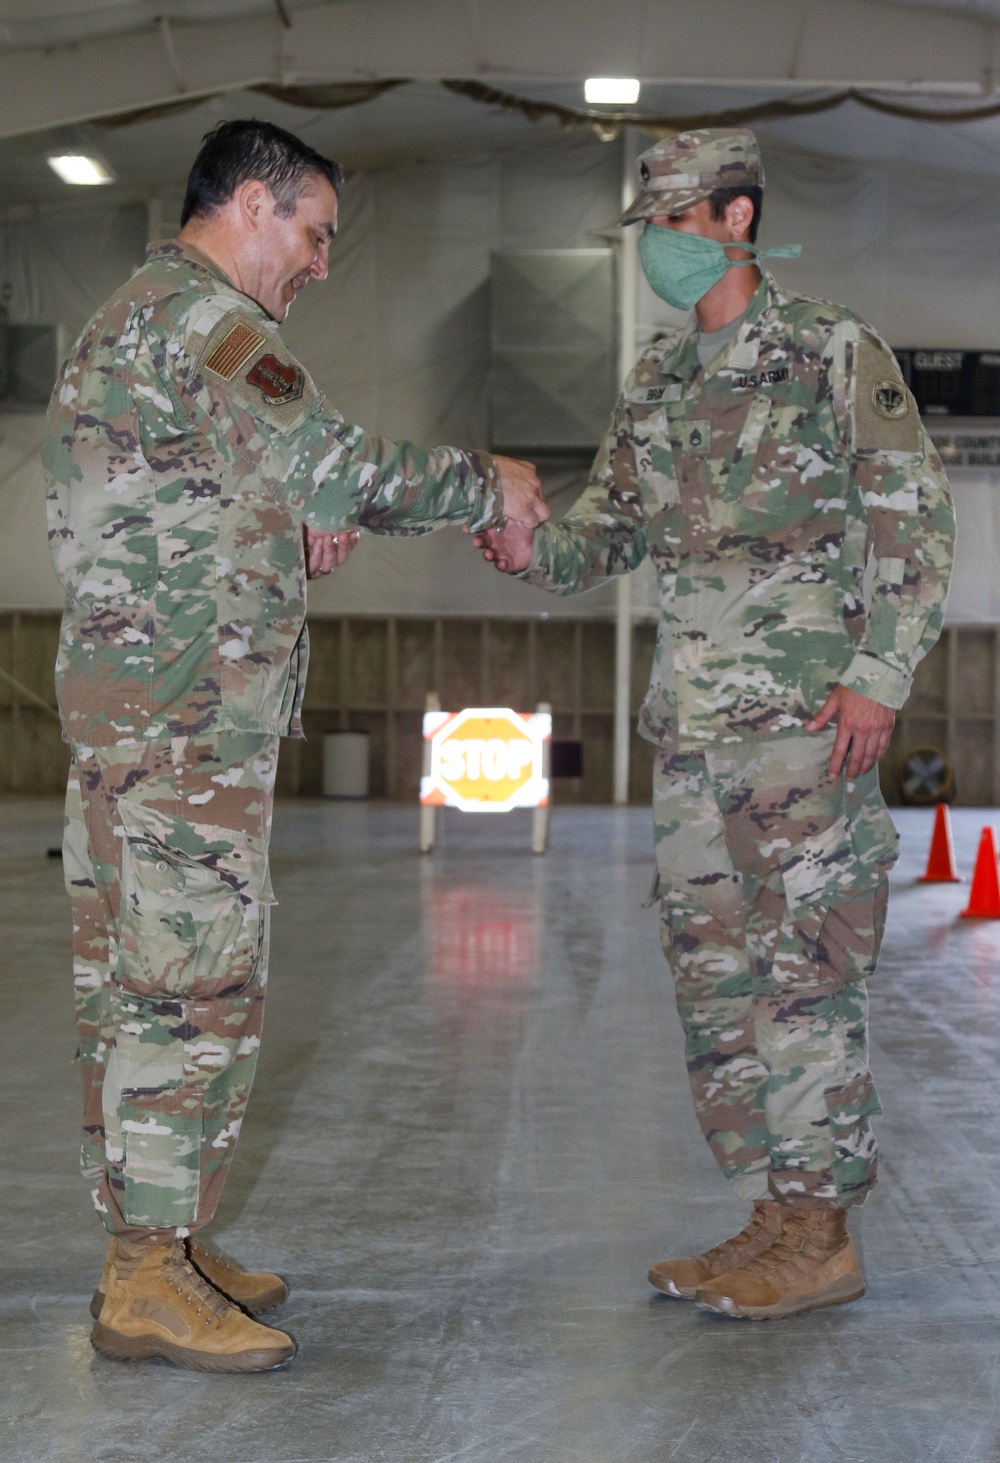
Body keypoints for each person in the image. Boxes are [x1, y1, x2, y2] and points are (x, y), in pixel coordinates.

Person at [45, 118, 548, 1372]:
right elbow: (335, 459)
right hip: (183, 731)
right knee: (189, 992)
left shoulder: (136, 319)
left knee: (133, 992)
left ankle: (155, 1242)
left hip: (134, 718)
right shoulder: (211, 325)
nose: (321, 265)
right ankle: (147, 1274)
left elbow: (208, 500)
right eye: (315, 235)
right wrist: (491, 483)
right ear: (255, 203)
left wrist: (283, 519)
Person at [474, 128, 954, 1320]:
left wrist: (879, 677)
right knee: (717, 985)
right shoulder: (657, 380)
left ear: (736, 219)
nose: (658, 253)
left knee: (805, 982)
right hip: (691, 740)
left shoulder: (830, 351)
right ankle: (774, 1212)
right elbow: (611, 532)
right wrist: (533, 547)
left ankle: (824, 1228)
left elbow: (917, 524)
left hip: (805, 734)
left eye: (675, 226)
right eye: (648, 232)